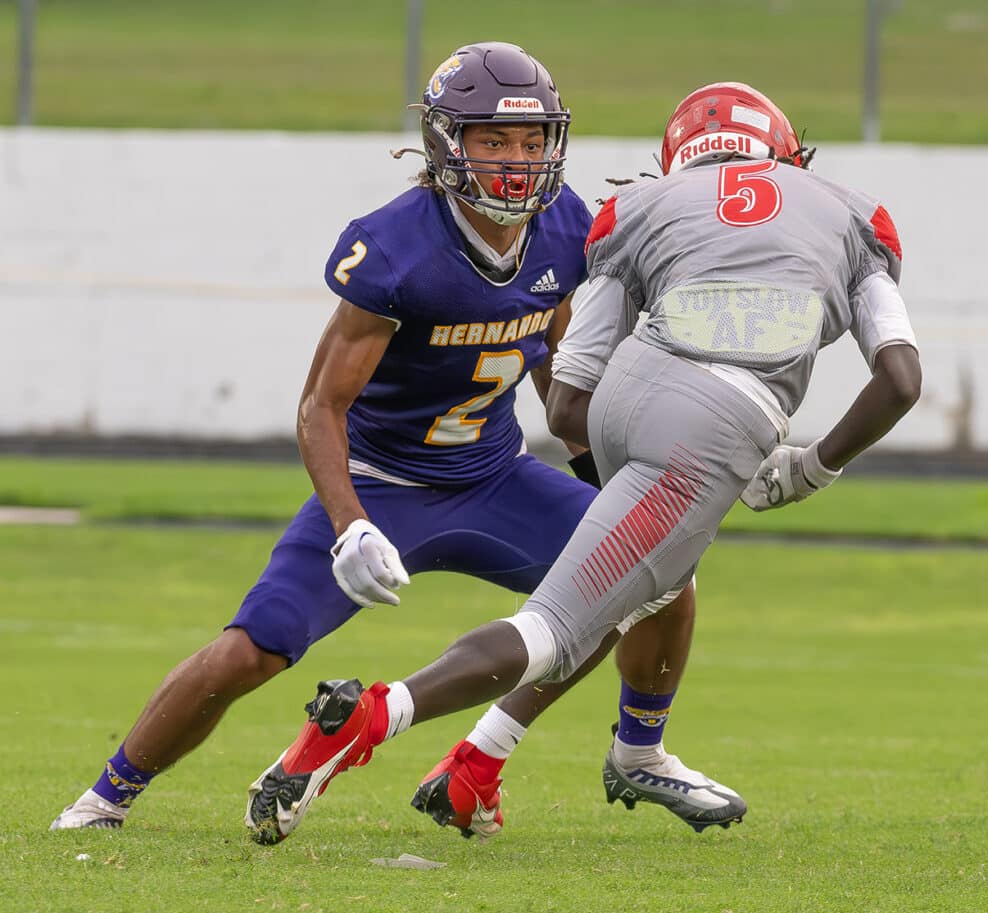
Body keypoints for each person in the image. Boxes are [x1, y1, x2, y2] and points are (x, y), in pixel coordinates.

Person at [51, 44, 744, 842]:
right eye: (493, 140)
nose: (516, 162)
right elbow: (320, 407)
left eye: (530, 141)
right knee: (255, 648)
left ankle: (519, 757)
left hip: (493, 476)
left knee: (655, 576)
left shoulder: (564, 229)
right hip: (381, 483)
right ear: (448, 141)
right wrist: (349, 522)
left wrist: (615, 479)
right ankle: (106, 796)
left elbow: (562, 379)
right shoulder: (396, 245)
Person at [245, 80, 922, 842]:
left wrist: (620, 465)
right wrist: (808, 469)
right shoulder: (853, 210)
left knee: (656, 583)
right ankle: (373, 716)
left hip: (624, 398)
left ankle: (488, 761)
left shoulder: (636, 209)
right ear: (785, 152)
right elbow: (900, 380)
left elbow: (567, 403)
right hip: (717, 422)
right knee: (558, 626)